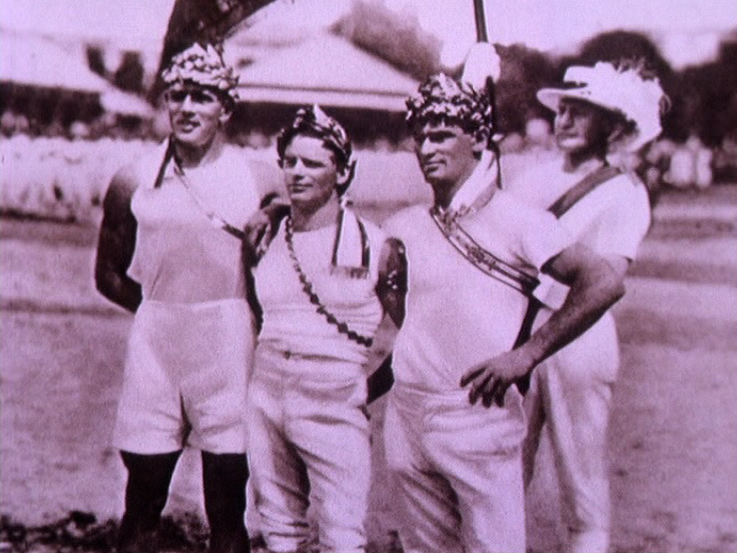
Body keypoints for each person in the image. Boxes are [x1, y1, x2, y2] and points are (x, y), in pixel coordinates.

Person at [381, 71, 628, 553]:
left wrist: (527, 355)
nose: (427, 148)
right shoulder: (406, 225)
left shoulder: (518, 219)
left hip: (478, 414)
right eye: (421, 137)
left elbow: (603, 280)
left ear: (475, 138)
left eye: (441, 135)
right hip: (408, 413)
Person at [94, 42, 281, 553]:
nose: (186, 108)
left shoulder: (260, 178)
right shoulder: (134, 177)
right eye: (178, 96)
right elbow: (107, 274)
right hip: (156, 342)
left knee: (225, 509)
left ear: (225, 107)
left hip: (229, 344)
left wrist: (235, 314)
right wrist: (162, 310)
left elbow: (299, 249)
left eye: (202, 97)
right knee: (141, 502)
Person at [507, 59, 668, 553]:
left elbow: (606, 281)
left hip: (580, 336)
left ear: (614, 127)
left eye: (583, 112)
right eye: (564, 110)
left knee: (581, 481)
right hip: (516, 329)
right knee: (502, 471)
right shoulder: (529, 179)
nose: (567, 120)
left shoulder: (624, 193)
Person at [243, 105, 406, 553]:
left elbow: (415, 335)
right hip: (267, 394)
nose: (297, 172)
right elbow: (257, 315)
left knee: (342, 534)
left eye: (313, 163)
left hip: (336, 400)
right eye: (290, 161)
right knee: (278, 528)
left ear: (342, 172)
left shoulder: (378, 246)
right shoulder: (263, 237)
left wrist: (365, 389)